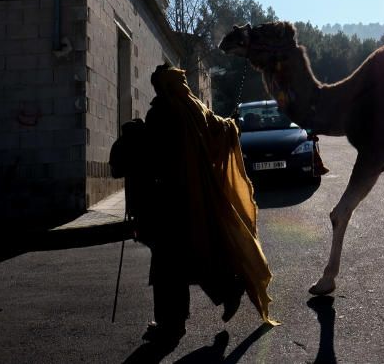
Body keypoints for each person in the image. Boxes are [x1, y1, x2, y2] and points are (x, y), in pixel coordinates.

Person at [111, 64, 278, 346]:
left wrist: (135, 134)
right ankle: (226, 289)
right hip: (197, 200)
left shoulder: (162, 113)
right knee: (191, 256)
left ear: (161, 87)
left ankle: (172, 325)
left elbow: (153, 157)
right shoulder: (197, 110)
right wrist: (232, 124)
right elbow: (222, 129)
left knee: (168, 267)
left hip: (168, 204)